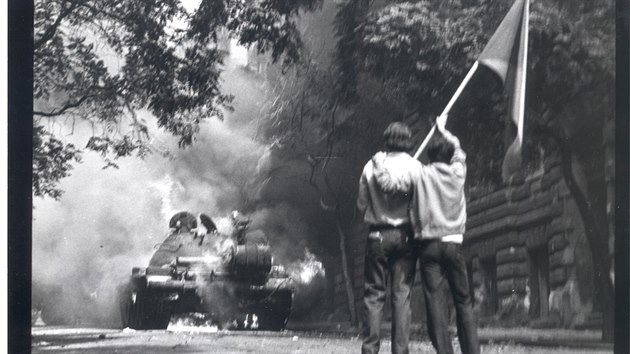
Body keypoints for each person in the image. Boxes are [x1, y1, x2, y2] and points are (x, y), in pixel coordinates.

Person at [374, 115, 480, 354]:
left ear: (430, 157)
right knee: (463, 301)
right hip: (454, 245)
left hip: (428, 248)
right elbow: (459, 147)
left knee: (435, 303)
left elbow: (390, 185)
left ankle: (445, 351)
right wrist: (443, 130)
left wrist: (379, 165)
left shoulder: (419, 174)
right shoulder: (458, 172)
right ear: (449, 156)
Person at [357, 122, 421, 354]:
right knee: (401, 296)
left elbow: (361, 204)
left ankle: (370, 349)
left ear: (387, 139)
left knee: (374, 295)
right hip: (405, 237)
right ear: (407, 140)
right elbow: (419, 204)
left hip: (376, 235)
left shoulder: (370, 167)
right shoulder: (415, 168)